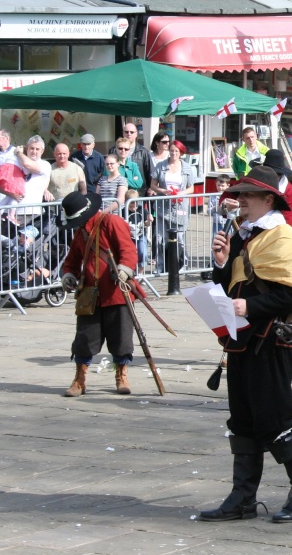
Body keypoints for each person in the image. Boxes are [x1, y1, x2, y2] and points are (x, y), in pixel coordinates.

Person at [202, 165, 292, 524]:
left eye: (247, 196)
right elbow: (233, 285)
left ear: (268, 199)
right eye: (238, 195)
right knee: (243, 420)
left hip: (273, 342)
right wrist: (222, 265)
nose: (239, 201)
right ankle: (243, 497)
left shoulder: (284, 238)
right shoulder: (244, 235)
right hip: (242, 341)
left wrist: (249, 306)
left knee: (274, 419)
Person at [58, 191, 138, 397]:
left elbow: (128, 251)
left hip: (116, 291)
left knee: (121, 340)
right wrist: (68, 275)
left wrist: (124, 269)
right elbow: (72, 260)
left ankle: (121, 376)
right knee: (84, 340)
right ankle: (80, 379)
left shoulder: (112, 222)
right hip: (90, 295)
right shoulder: (80, 232)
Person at [148, 140, 196, 269]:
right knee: (159, 238)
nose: (174, 153)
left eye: (177, 151)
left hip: (180, 207)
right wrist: (162, 190)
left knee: (180, 238)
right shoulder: (161, 165)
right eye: (172, 150)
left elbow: (191, 188)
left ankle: (183, 265)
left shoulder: (187, 167)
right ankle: (160, 265)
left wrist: (180, 193)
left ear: (181, 152)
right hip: (162, 206)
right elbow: (153, 185)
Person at [262, 149, 292, 228]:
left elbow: (288, 226)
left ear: (279, 174)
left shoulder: (291, 194)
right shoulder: (258, 184)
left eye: (271, 174)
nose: (267, 177)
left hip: (277, 236)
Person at [112, 123, 152, 195]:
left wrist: (150, 187)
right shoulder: (113, 150)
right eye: (126, 132)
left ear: (136, 134)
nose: (129, 134)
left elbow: (148, 172)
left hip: (138, 193)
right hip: (117, 193)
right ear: (123, 133)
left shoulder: (143, 152)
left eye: (132, 132)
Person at [124, 189, 150, 276]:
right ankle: (132, 272)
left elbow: (147, 224)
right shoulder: (124, 211)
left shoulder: (141, 210)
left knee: (143, 252)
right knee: (131, 255)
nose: (133, 206)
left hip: (141, 235)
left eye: (135, 203)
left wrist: (149, 221)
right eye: (131, 204)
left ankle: (140, 273)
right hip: (129, 237)